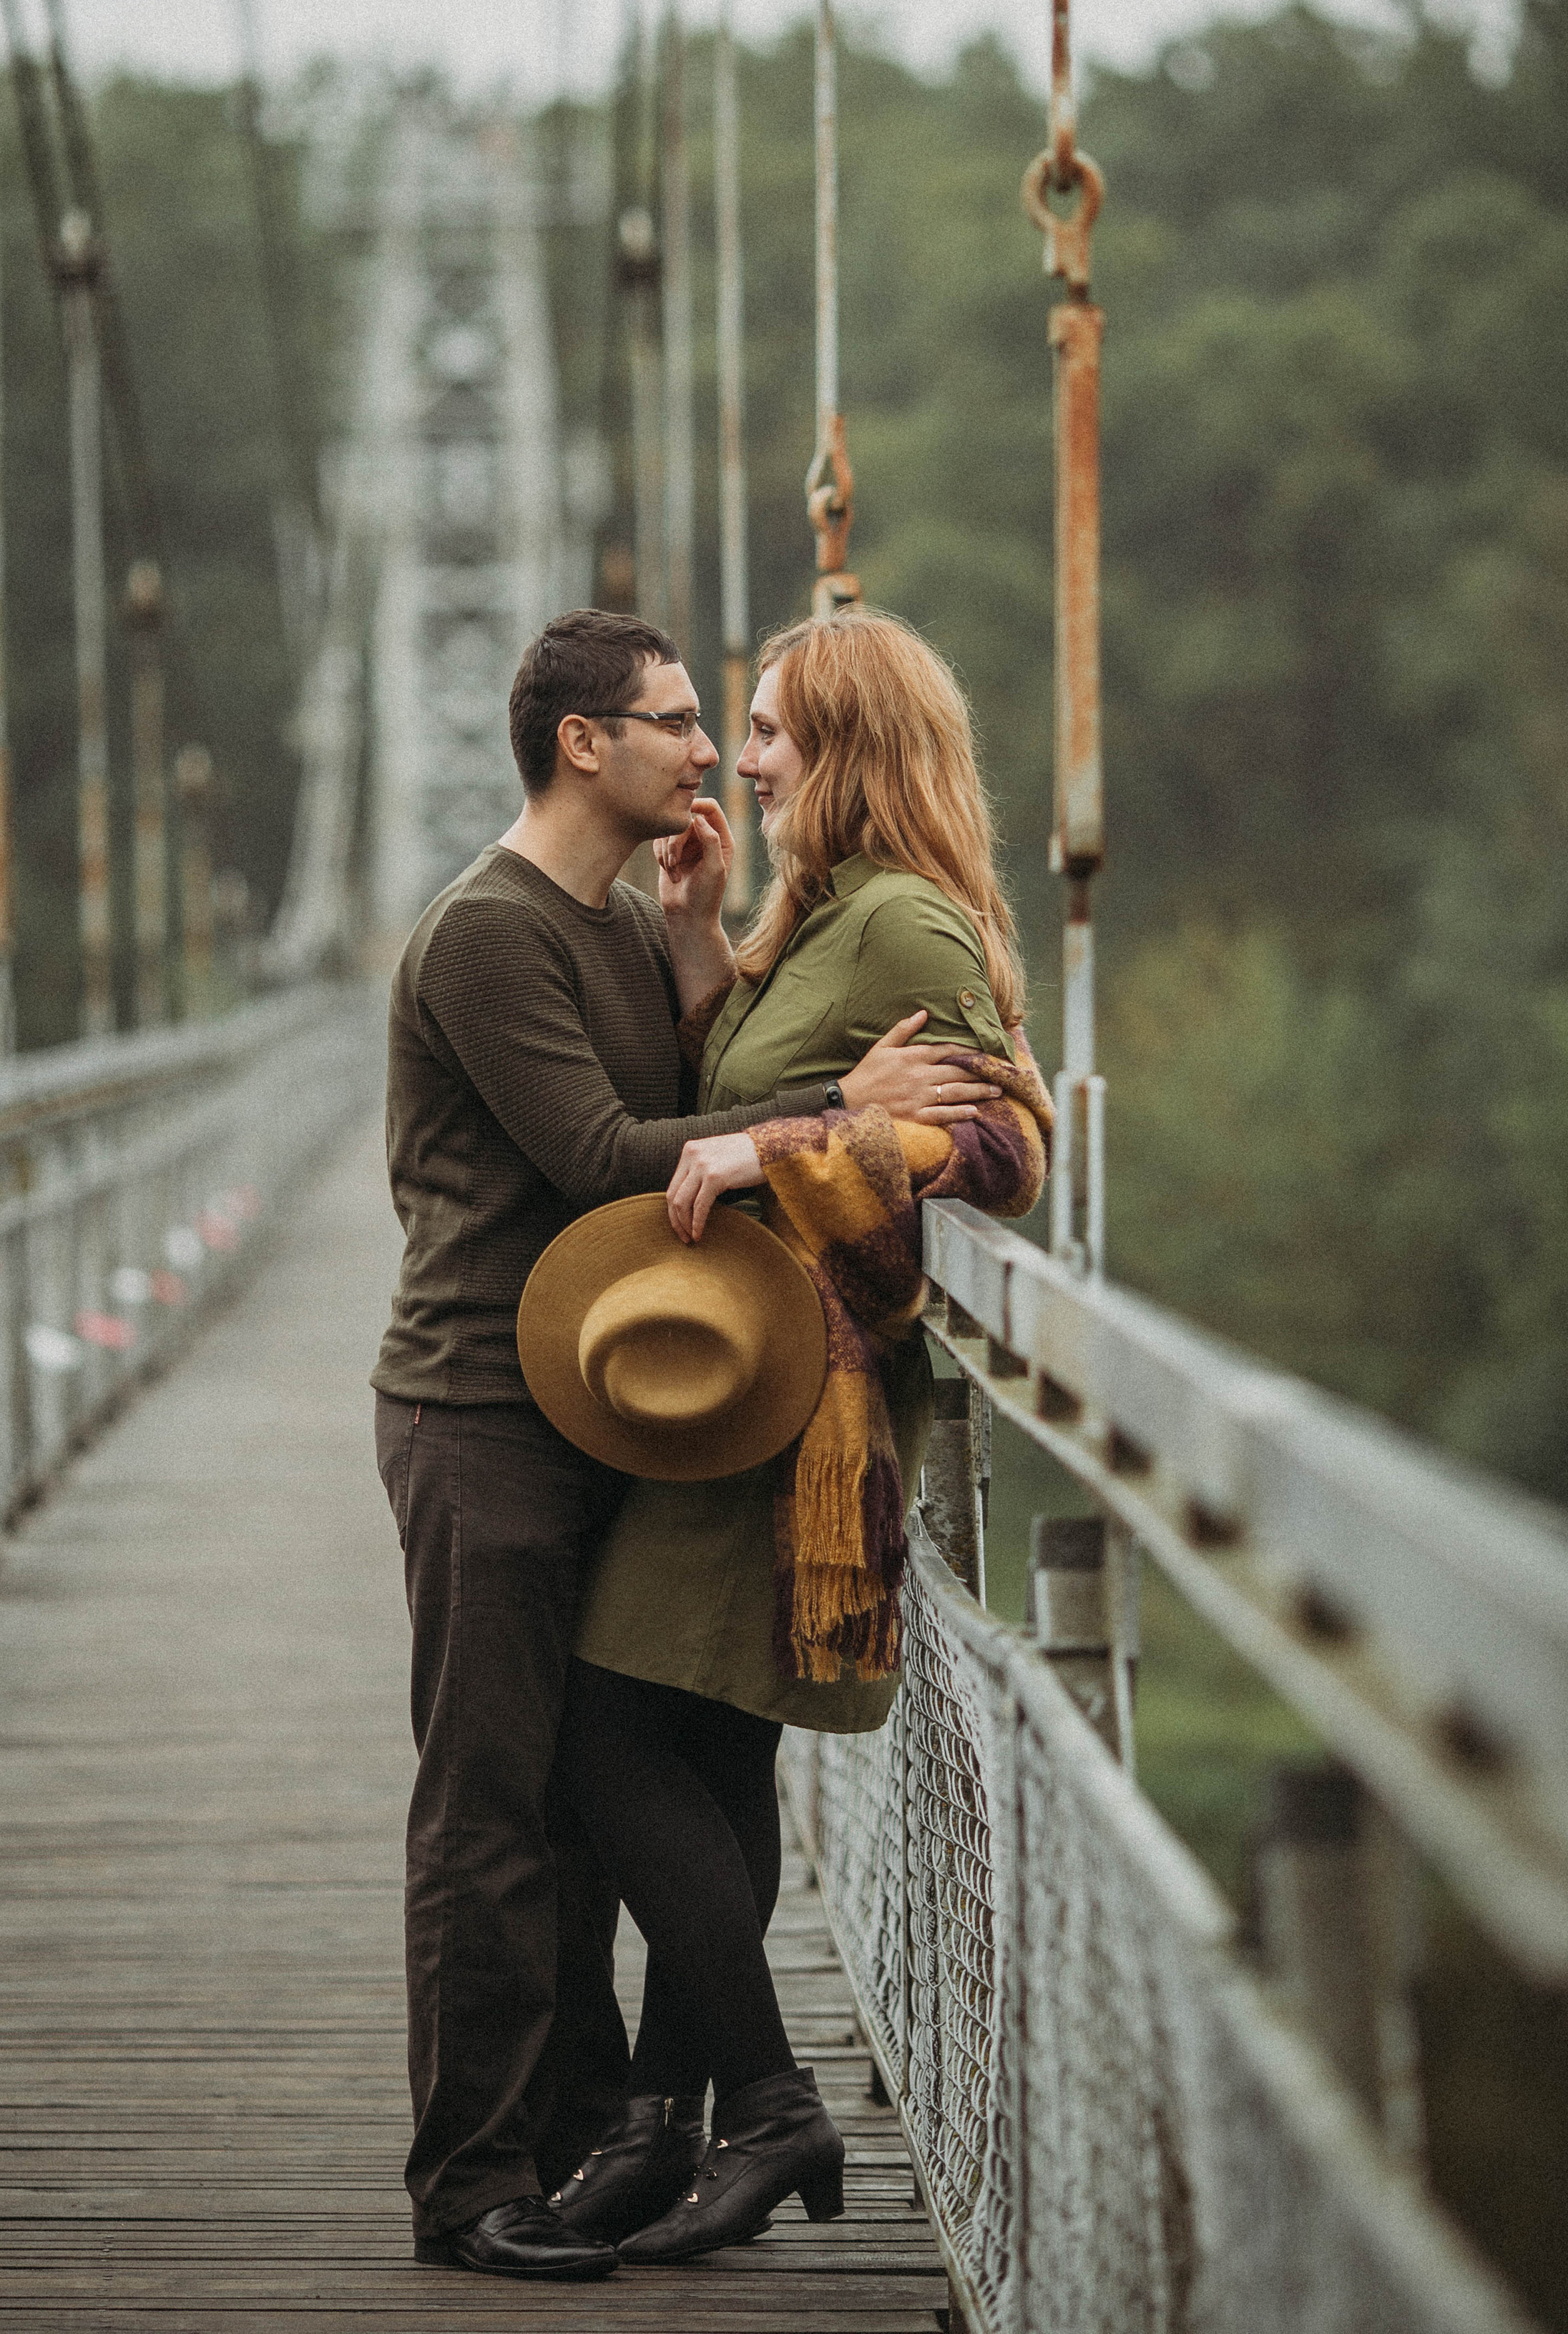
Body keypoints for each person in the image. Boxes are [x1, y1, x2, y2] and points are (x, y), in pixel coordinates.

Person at [371, 608, 990, 2281]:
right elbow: (601, 1151)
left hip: (622, 1405)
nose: (709, 750)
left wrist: (705, 943)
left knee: (585, 1802)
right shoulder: (487, 934)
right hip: (480, 1412)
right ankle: (470, 2179)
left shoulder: (629, 926)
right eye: (674, 720)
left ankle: (594, 2133)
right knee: (494, 1805)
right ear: (584, 745)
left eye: (734, 723)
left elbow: (704, 1071)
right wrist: (824, 1119)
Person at [544, 608, 1052, 2264]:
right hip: (744, 1374)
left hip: (796, 1399)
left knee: (605, 1733)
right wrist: (698, 943)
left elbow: (1001, 1142)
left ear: (842, 747)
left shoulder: (904, 921)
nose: (738, 760)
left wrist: (799, 1140)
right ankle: (668, 2129)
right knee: (704, 1747)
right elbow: (763, 1082)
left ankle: (756, 2103)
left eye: (763, 730)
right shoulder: (816, 911)